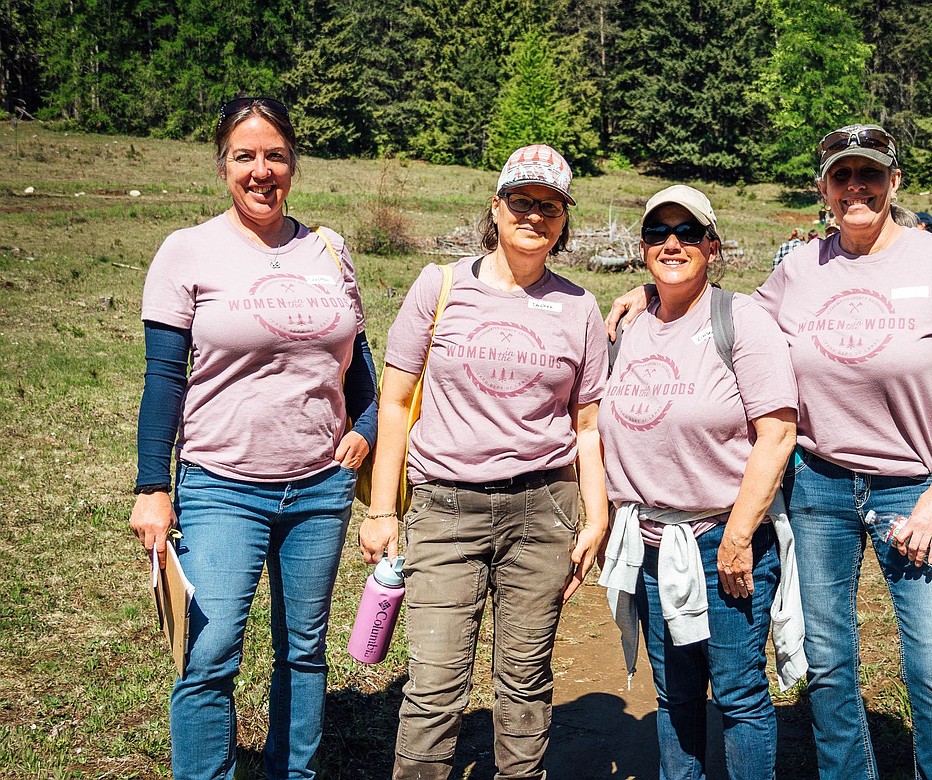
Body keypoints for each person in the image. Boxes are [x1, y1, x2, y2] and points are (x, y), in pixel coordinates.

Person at [606, 123, 932, 780]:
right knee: (828, 665)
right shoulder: (798, 269)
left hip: (913, 487)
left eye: (869, 174)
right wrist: (652, 294)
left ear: (893, 182)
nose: (856, 187)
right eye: (842, 175)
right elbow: (715, 310)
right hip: (819, 484)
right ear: (824, 187)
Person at [129, 96, 377, 779]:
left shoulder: (328, 248)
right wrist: (153, 487)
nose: (261, 171)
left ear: (293, 162)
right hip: (221, 485)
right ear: (223, 167)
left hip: (320, 488)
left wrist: (366, 425)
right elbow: (162, 378)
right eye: (245, 156)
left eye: (274, 155)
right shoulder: (188, 251)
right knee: (208, 654)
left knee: (302, 649)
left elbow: (359, 359)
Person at [360, 144, 610, 780]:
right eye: (521, 202)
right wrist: (383, 510)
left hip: (542, 510)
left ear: (563, 222)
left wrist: (595, 518)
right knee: (435, 685)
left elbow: (588, 425)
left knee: (524, 683)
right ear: (496, 208)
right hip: (445, 508)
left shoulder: (579, 307)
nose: (534, 216)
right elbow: (393, 403)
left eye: (549, 208)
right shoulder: (439, 286)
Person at [598, 185, 801, 780]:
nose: (672, 242)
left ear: (712, 245)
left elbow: (778, 435)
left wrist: (739, 537)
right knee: (675, 698)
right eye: (658, 232)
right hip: (651, 546)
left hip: (722, 544)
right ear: (641, 249)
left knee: (738, 695)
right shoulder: (627, 328)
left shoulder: (742, 321)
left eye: (688, 232)